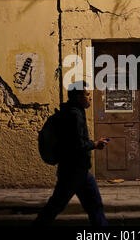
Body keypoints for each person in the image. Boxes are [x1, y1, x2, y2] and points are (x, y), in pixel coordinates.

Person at [34, 81, 109, 226]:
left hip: (78, 171)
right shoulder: (74, 115)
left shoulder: (72, 112)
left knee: (94, 206)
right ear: (78, 96)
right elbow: (77, 144)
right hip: (73, 171)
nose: (90, 98)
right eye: (87, 94)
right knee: (56, 206)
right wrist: (95, 144)